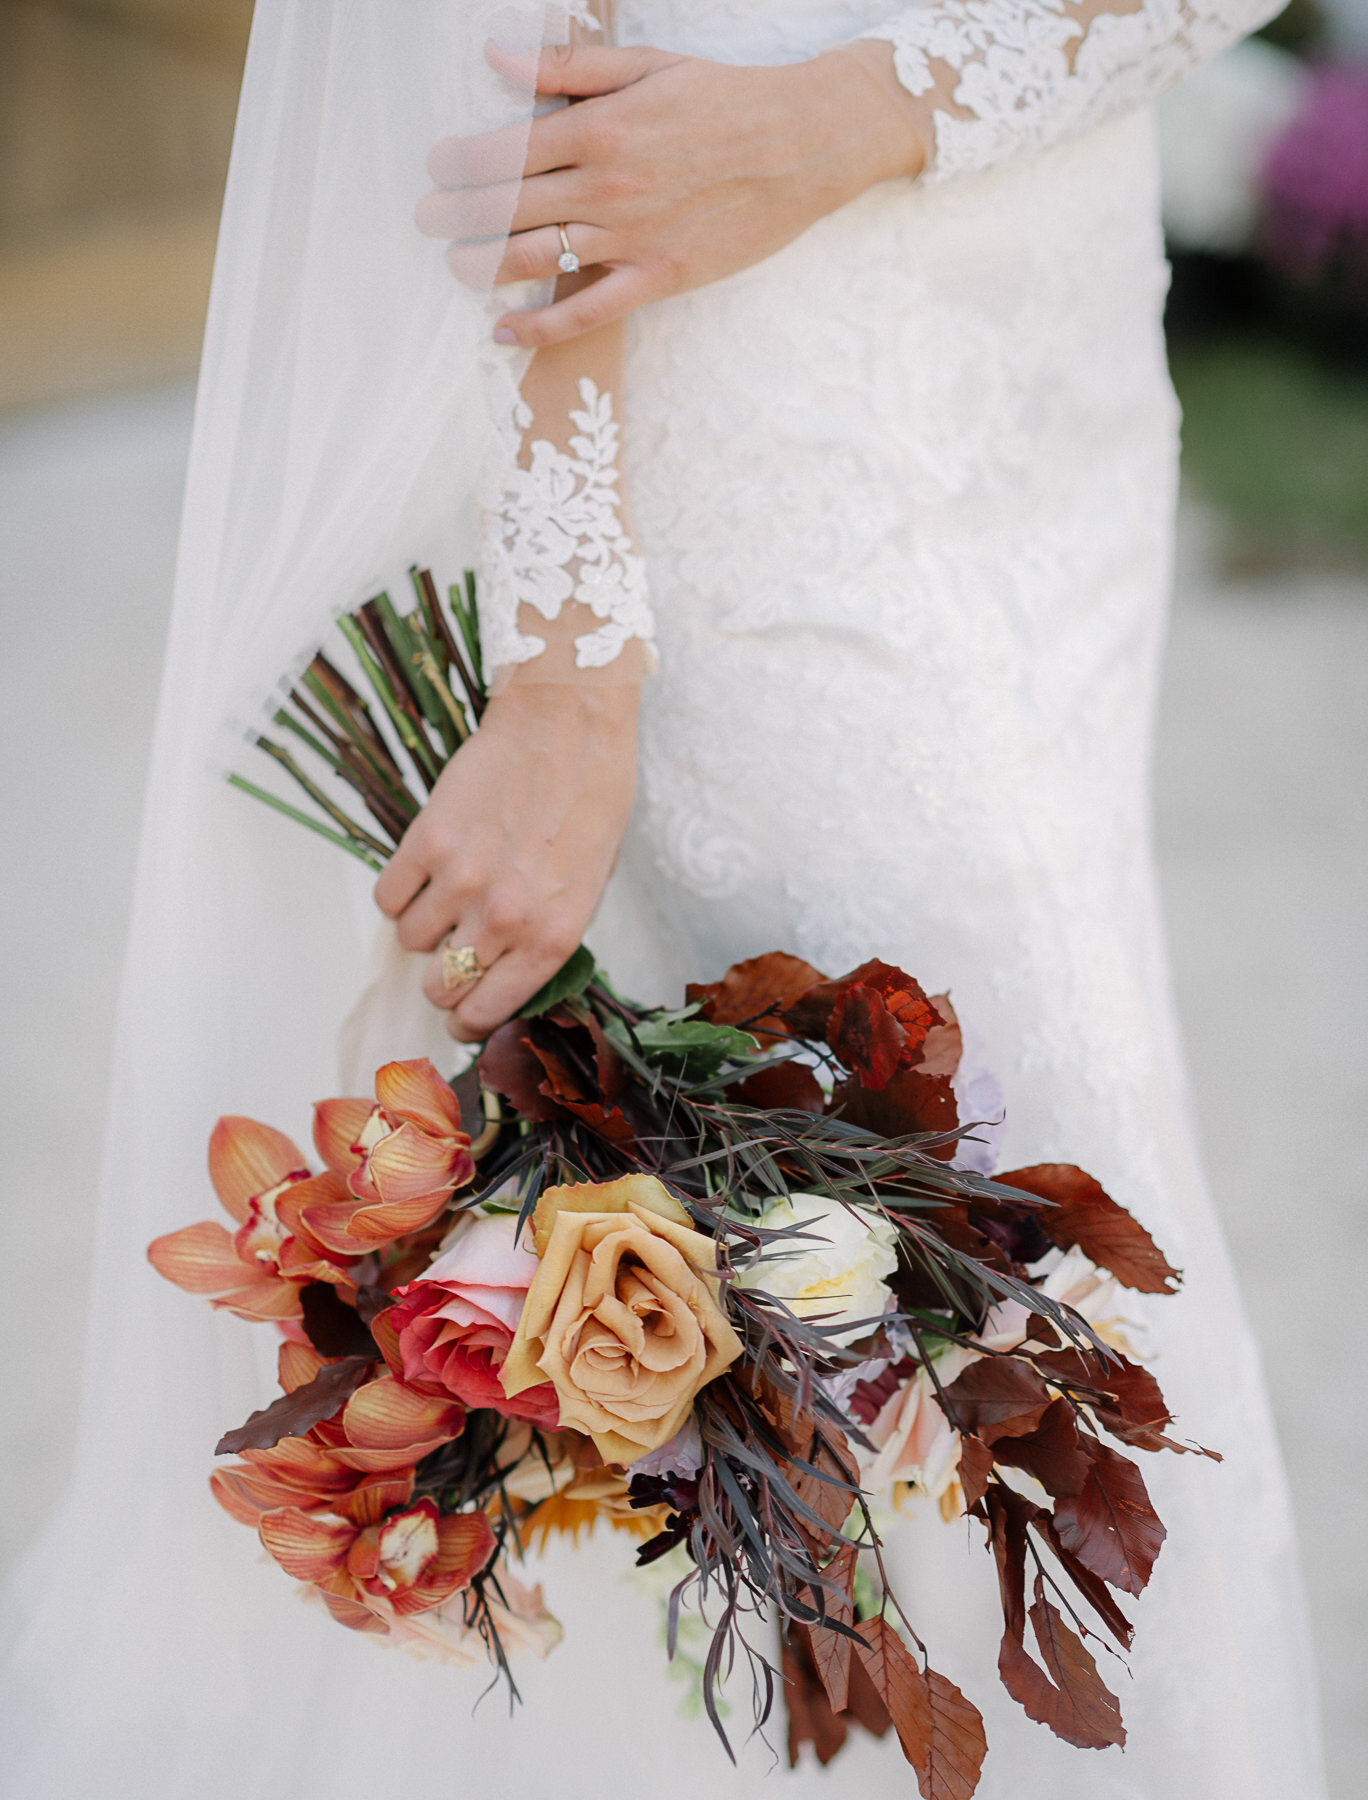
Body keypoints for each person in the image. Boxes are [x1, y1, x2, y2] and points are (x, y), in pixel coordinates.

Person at [0, 3, 1328, 1797]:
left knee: (952, 1208)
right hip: (739, 354)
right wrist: (567, 669)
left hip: (1036, 316)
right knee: (968, 1194)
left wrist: (890, 106)